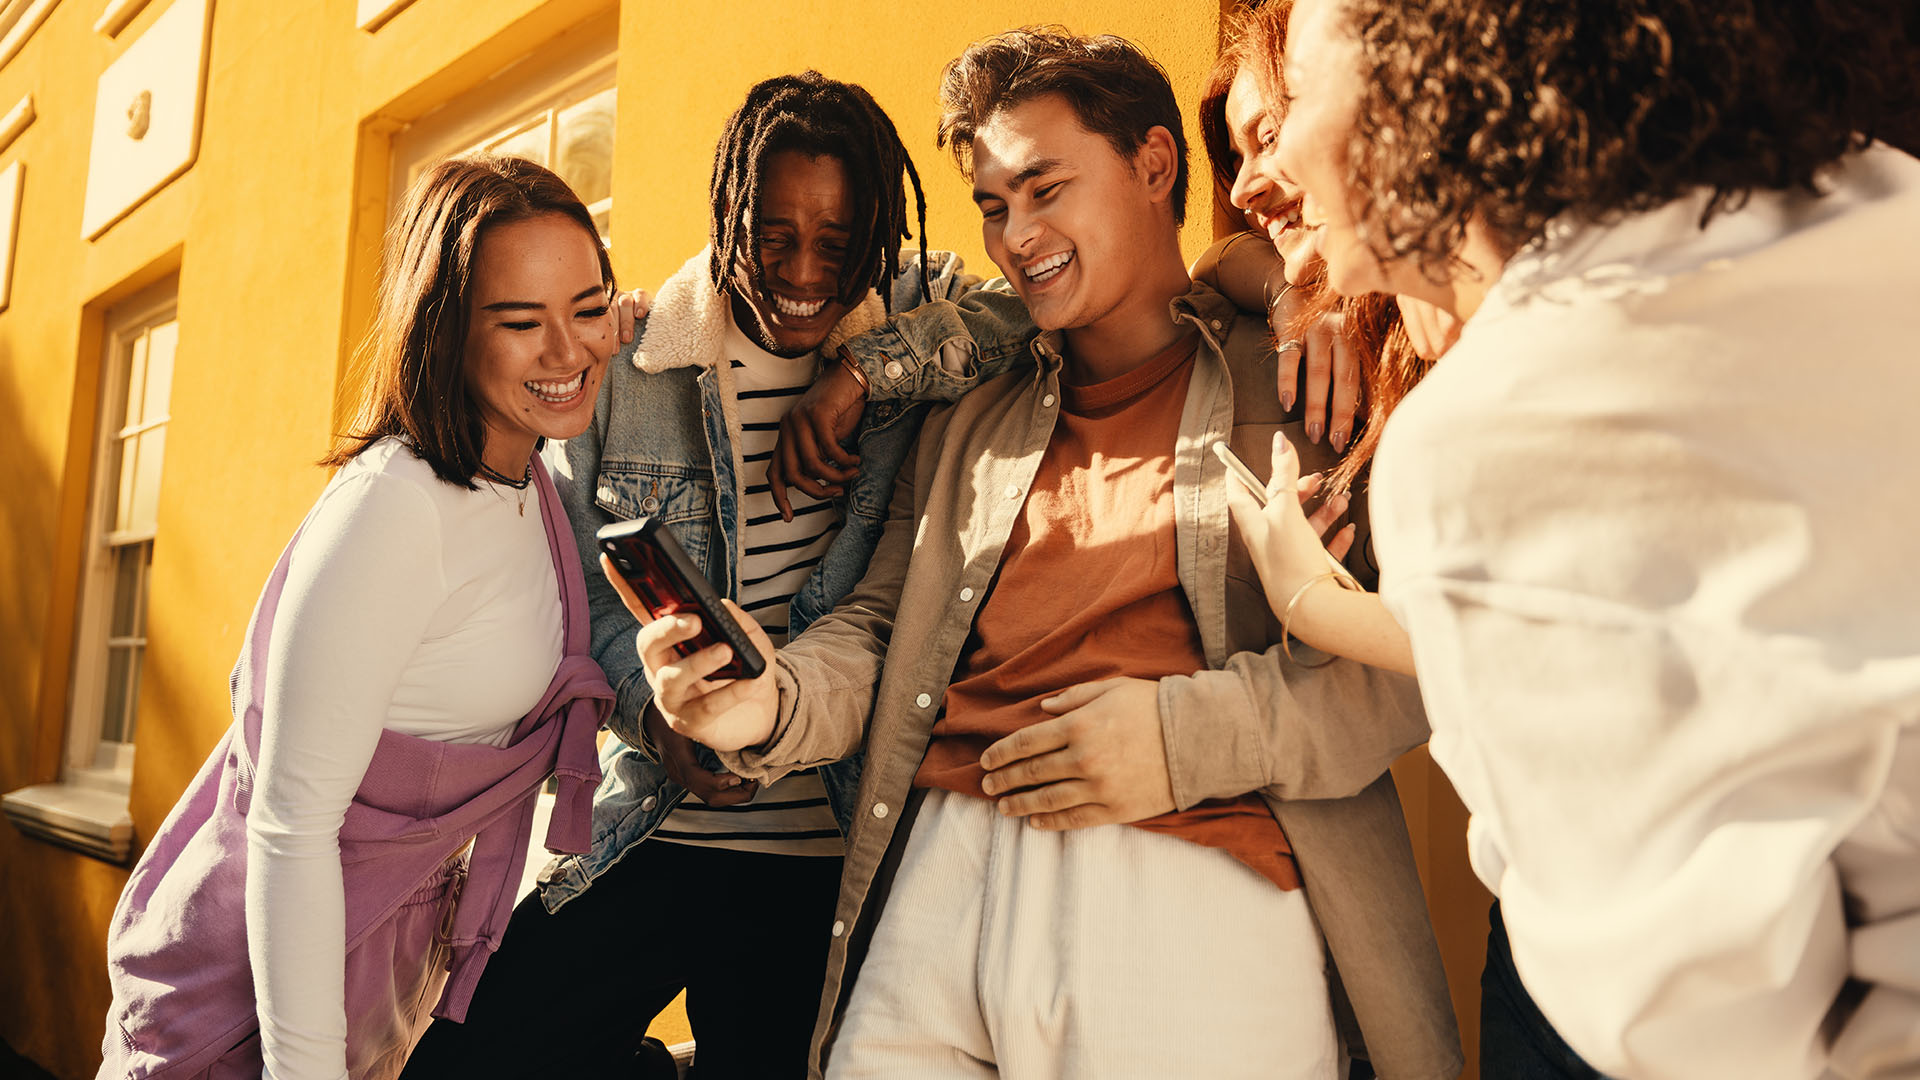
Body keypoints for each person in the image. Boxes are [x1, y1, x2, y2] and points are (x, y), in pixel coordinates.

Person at [630, 29, 1460, 1080]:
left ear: (1154, 164)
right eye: (992, 205)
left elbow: (1425, 666)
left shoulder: (1305, 377)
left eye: (1044, 189)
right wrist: (767, 702)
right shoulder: (970, 416)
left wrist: (1182, 739)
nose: (1016, 238)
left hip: (1190, 887)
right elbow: (882, 627)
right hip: (938, 886)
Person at [1232, 1, 1920, 1077]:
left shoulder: (1487, 443)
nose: (1267, 172)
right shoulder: (1875, 194)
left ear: (1426, 97)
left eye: (1299, 99)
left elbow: (1699, 1015)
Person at [400, 72, 1026, 1080]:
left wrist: (864, 372)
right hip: (656, 823)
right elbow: (580, 598)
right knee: (462, 1065)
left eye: (838, 243)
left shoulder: (918, 311)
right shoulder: (634, 364)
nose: (806, 274)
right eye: (774, 238)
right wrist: (657, 724)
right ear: (727, 215)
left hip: (828, 849)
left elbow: (1034, 312)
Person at [96, 155, 621, 1079]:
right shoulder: (395, 508)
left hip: (382, 974)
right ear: (447, 329)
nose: (567, 351)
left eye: (588, 308)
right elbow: (291, 826)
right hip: (255, 1004)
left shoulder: (525, 479)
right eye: (519, 322)